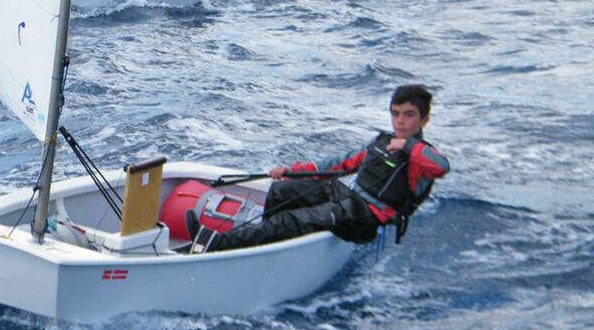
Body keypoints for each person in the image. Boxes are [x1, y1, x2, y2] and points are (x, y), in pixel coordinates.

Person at [190, 84, 450, 252]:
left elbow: (441, 166)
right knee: (286, 191)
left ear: (424, 119)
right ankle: (269, 243)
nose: (400, 120)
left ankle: (216, 244)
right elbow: (338, 164)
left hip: (367, 218)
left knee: (290, 219)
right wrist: (290, 170)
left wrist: (406, 145)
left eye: (409, 114)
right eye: (396, 113)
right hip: (348, 197)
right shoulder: (380, 142)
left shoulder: (421, 157)